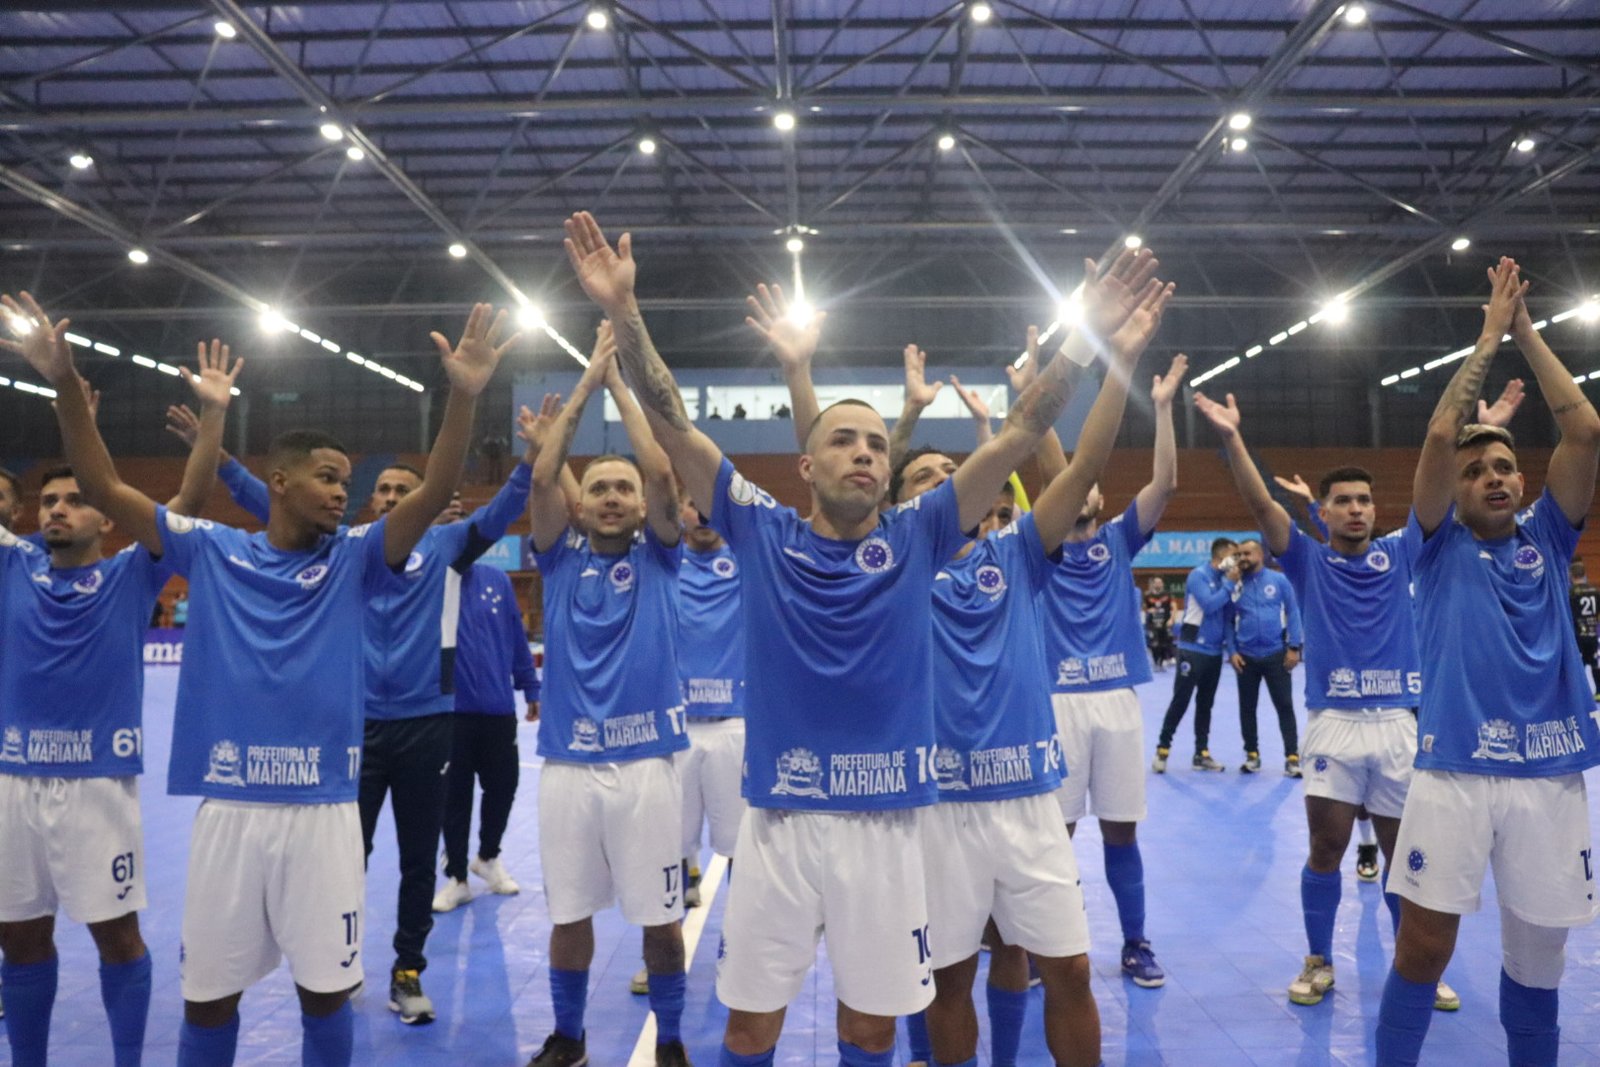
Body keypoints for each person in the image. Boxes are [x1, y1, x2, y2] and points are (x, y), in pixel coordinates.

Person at [564, 209, 1167, 1067]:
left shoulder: (920, 537)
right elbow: (671, 422)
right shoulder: (761, 531)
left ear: (890, 472)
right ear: (805, 466)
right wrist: (625, 312)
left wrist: (1087, 345)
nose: (863, 452)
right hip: (779, 822)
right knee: (747, 1030)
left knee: (873, 1029)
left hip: (888, 828)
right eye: (842, 439)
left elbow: (1022, 434)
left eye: (877, 444)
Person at [5, 292, 514, 1067]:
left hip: (322, 816)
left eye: (349, 480)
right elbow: (107, 488)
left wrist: (463, 397)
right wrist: (66, 379)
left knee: (325, 995)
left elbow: (435, 487)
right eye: (329, 476)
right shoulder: (210, 550)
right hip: (228, 813)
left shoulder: (356, 561)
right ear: (279, 480)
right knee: (208, 999)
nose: (345, 491)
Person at [187, 418, 536, 1027]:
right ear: (373, 501)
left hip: (427, 721)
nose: (396, 500)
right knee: (350, 850)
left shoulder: (447, 545)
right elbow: (265, 497)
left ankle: (407, 971)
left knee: (417, 858)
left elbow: (505, 509)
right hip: (354, 727)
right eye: (388, 492)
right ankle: (336, 963)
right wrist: (219, 460)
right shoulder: (348, 548)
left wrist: (532, 461)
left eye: (408, 492)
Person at [1375, 259, 1600, 1067]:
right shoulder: (1432, 548)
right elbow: (1440, 435)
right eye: (1476, 472)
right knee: (1422, 951)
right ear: (1456, 491)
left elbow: (1586, 432)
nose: (1492, 476)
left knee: (1538, 965)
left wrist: (1531, 333)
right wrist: (1487, 337)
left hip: (1550, 775)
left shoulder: (1547, 538)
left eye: (1503, 465)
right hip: (1455, 772)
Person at [0, 337, 240, 1067]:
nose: (60, 510)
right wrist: (69, 403)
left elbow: (189, 501)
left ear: (107, 518)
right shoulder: (12, 564)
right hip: (12, 783)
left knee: (118, 936)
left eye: (76, 500)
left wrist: (214, 417)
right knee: (19, 937)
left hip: (98, 787)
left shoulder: (133, 574)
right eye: (48, 500)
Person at [1192, 393, 1459, 1014]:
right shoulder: (1307, 562)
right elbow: (1261, 503)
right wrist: (1234, 437)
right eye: (1344, 501)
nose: (1357, 509)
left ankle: (1414, 965)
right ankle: (1318, 960)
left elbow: (1436, 486)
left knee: (1403, 859)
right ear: (1326, 511)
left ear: (1376, 508)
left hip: (1397, 724)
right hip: (1333, 728)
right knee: (1325, 851)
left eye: (1365, 500)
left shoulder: (1402, 552)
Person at [523, 320, 693, 1067]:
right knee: (568, 915)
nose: (618, 496)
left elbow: (661, 471)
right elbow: (539, 478)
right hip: (566, 766)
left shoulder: (661, 557)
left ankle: (674, 1042)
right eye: (601, 487)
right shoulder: (558, 560)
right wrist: (584, 383)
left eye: (623, 487)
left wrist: (618, 383)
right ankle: (569, 1036)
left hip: (649, 767)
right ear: (581, 504)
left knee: (661, 921)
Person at [1039, 340, 1184, 1001]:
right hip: (1058, 702)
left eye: (1095, 481)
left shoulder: (1119, 537)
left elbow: (1166, 485)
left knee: (1121, 831)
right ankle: (1047, 942)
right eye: (1077, 481)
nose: (1089, 488)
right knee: (1055, 834)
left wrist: (1160, 408)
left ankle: (1135, 940)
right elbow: (1038, 443)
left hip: (1117, 702)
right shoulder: (1037, 549)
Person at [431, 562, 539, 913]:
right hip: (450, 711)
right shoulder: (431, 579)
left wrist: (529, 684)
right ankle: (458, 878)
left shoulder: (497, 579)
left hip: (497, 707)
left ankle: (488, 857)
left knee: (504, 787)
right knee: (455, 796)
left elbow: (514, 635)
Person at [1152, 537, 1236, 772]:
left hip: (1214, 652)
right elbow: (1209, 605)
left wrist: (1232, 650)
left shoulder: (1225, 580)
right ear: (1221, 556)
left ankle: (1202, 752)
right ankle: (1162, 749)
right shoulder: (1198, 575)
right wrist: (1229, 585)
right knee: (1181, 700)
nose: (1237, 560)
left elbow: (1228, 616)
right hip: (1192, 648)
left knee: (1205, 704)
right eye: (1234, 555)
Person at [1221, 538, 1304, 776]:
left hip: (1276, 655)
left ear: (1260, 554)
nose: (1242, 558)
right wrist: (1233, 651)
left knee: (1285, 706)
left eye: (1246, 553)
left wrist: (1294, 646)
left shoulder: (1279, 581)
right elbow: (1227, 620)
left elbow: (1293, 612)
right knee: (1247, 708)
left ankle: (1292, 757)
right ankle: (1252, 755)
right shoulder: (1235, 584)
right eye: (1238, 555)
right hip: (1246, 657)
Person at [1568, 560, 1600, 699]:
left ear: (1571, 575)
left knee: (1576, 666)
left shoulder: (1570, 593)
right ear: (1584, 574)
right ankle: (1599, 691)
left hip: (1577, 635)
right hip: (1593, 634)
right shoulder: (1595, 591)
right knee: (1595, 663)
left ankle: (1577, 695)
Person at [1143, 577, 1174, 671]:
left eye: (1160, 582)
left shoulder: (1167, 594)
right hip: (1152, 623)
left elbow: (1174, 607)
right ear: (1153, 584)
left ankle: (1162, 661)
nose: (1158, 584)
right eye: (1156, 582)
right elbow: (1144, 608)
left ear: (1162, 584)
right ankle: (1156, 662)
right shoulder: (1148, 595)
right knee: (1154, 643)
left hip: (1165, 622)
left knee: (1164, 643)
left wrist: (1172, 619)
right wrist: (1149, 610)